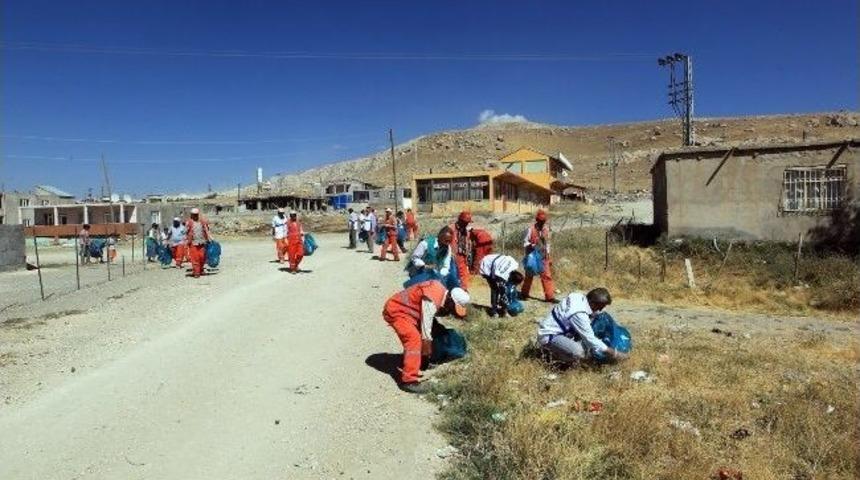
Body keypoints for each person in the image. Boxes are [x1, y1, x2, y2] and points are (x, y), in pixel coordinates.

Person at [382, 279, 471, 393]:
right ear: (450, 300)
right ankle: (409, 381)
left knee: (430, 334)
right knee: (414, 339)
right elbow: (426, 326)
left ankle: (418, 363)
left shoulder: (440, 293)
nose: (451, 312)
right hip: (397, 311)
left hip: (409, 312)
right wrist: (426, 344)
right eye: (453, 308)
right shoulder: (432, 299)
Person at [536, 287, 627, 366]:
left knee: (590, 337)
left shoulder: (578, 296)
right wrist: (614, 353)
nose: (600, 309)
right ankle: (553, 357)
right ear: (592, 303)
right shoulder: (578, 314)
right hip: (550, 336)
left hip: (562, 330)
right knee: (580, 352)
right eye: (600, 306)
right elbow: (591, 339)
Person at [521, 209, 556, 303]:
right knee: (529, 276)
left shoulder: (546, 229)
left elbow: (547, 244)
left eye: (544, 221)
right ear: (537, 220)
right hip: (532, 256)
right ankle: (524, 294)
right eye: (541, 221)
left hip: (543, 257)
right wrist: (531, 245)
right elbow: (525, 242)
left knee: (547, 276)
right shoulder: (530, 229)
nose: (542, 223)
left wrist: (548, 255)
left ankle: (550, 297)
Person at [448, 211, 473, 290]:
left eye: (467, 223)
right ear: (460, 220)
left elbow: (468, 243)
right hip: (451, 256)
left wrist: (468, 254)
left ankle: (463, 291)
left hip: (462, 257)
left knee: (464, 275)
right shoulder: (450, 229)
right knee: (452, 275)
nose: (467, 224)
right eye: (465, 222)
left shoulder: (466, 232)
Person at [185, 208, 211, 278]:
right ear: (191, 215)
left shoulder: (202, 222)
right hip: (193, 243)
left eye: (196, 214)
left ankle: (201, 270)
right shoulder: (189, 222)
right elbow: (185, 232)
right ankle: (196, 273)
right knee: (195, 258)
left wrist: (209, 238)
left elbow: (206, 230)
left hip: (202, 242)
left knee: (202, 257)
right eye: (193, 215)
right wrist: (186, 240)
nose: (195, 216)